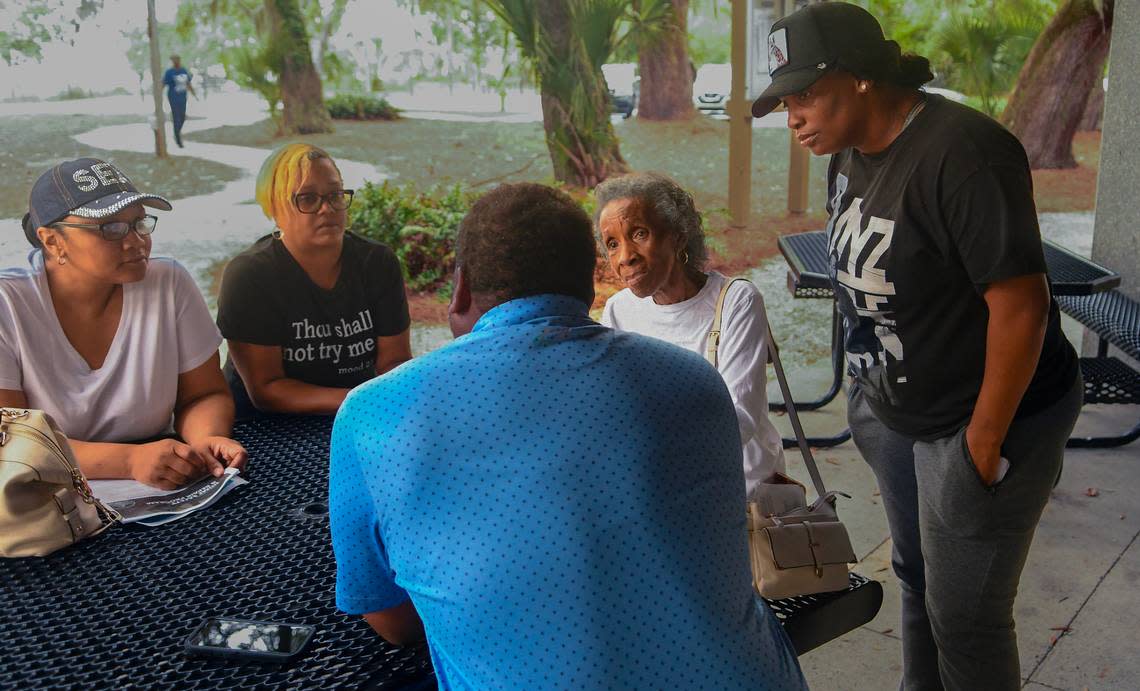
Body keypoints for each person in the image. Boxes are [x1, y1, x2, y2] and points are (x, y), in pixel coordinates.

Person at [328, 183, 806, 690]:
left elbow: (392, 621)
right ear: (590, 285)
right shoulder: (695, 382)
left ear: (461, 288)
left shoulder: (373, 415)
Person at [751, 4, 1082, 689]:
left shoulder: (965, 154)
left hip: (981, 418)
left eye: (807, 93)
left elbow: (1022, 308)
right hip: (898, 411)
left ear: (864, 78)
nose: (794, 116)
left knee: (967, 619)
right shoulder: (846, 148)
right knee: (915, 576)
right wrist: (870, 406)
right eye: (787, 100)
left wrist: (980, 448)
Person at [0, 158, 246, 490]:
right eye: (110, 228)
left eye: (140, 223)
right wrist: (129, 461)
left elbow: (204, 394)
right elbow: (10, 440)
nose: (136, 241)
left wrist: (205, 440)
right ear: (52, 241)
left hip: (160, 484)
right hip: (47, 501)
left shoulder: (168, 282)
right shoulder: (8, 303)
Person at [596, 172, 785, 499]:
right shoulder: (618, 311)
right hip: (659, 485)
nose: (625, 256)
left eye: (639, 233)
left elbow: (739, 418)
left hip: (738, 491)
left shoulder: (735, 301)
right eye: (612, 244)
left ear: (678, 236)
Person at [216, 144, 411, 417]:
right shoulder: (250, 275)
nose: (327, 209)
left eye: (334, 195)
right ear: (274, 208)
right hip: (265, 425)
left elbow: (395, 363)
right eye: (307, 198)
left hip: (355, 415)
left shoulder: (377, 262)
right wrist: (359, 400)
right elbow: (266, 390)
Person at [162, 55, 195, 148]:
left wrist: (194, 93)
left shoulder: (183, 70)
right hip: (173, 98)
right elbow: (163, 83)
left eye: (178, 60)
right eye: (174, 60)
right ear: (172, 61)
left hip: (183, 97)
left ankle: (177, 132)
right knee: (176, 117)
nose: (176, 61)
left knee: (183, 117)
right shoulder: (169, 72)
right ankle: (178, 139)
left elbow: (188, 83)